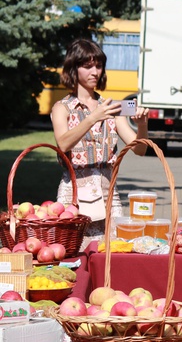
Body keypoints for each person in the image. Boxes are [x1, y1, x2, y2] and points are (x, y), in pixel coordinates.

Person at [50, 38, 150, 243]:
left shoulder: (112, 106)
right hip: (74, 194)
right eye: (87, 66)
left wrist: (142, 125)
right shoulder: (62, 107)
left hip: (108, 194)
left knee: (112, 253)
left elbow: (140, 150)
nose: (95, 72)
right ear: (73, 69)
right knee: (73, 251)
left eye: (99, 65)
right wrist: (93, 117)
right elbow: (63, 144)